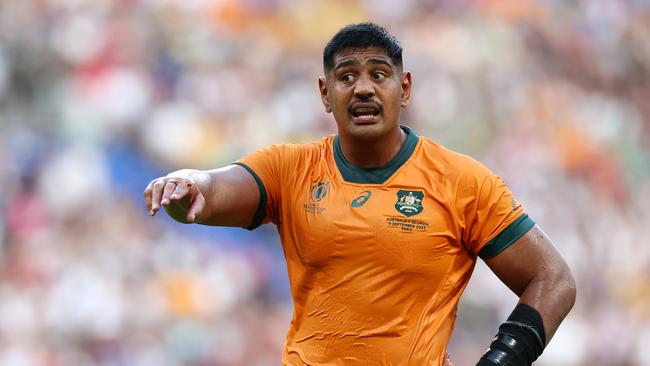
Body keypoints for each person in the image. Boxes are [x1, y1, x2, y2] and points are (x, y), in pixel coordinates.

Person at [144, 23, 576, 366]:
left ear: (404, 89)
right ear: (324, 94)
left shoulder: (463, 181)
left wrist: (502, 359)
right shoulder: (290, 168)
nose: (363, 88)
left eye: (379, 74)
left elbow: (553, 279)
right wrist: (188, 184)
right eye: (346, 75)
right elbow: (216, 186)